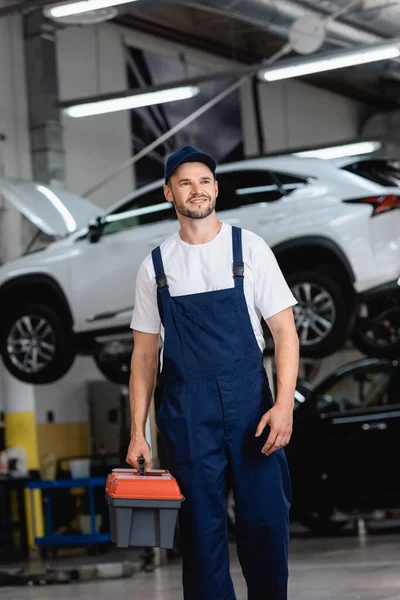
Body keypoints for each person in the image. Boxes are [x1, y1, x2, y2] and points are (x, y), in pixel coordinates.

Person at [126, 145, 300, 600]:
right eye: (185, 182)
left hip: (251, 408)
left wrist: (283, 406)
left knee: (265, 524)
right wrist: (138, 433)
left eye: (204, 181)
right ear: (169, 193)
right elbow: (144, 358)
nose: (197, 190)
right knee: (201, 537)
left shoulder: (250, 248)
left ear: (216, 189)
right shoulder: (155, 267)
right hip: (187, 413)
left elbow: (284, 332)